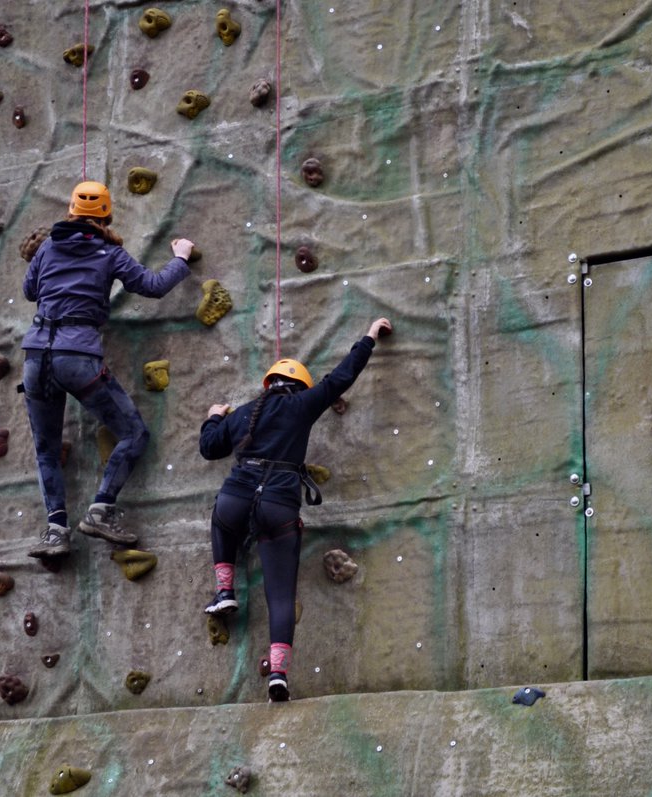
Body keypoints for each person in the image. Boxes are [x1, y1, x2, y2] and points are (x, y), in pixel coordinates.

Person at [199, 317, 393, 701]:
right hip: (278, 505)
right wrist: (368, 336)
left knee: (221, 520)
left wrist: (214, 416)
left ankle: (224, 589)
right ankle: (278, 675)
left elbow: (209, 448)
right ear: (300, 386)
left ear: (267, 384)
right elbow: (341, 378)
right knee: (281, 595)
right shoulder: (303, 405)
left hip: (237, 495)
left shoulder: (243, 414)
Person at [21, 180, 195, 560]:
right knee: (133, 433)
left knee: (46, 450)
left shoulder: (47, 248)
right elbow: (152, 286)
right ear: (106, 216)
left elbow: (30, 292)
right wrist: (180, 258)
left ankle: (56, 531)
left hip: (36, 357)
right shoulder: (108, 253)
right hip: (77, 356)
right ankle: (101, 509)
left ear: (70, 212)